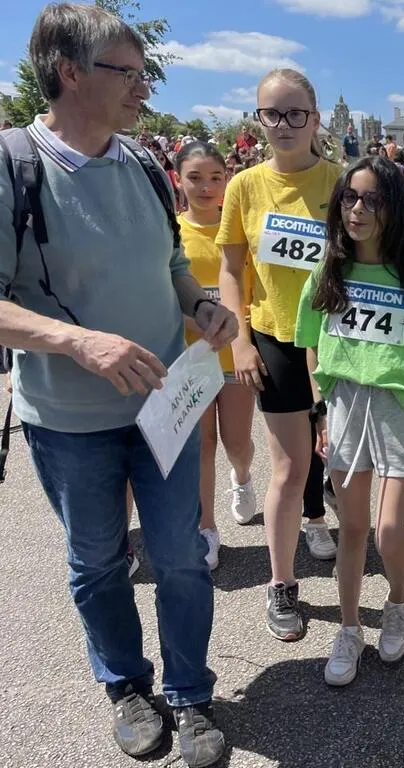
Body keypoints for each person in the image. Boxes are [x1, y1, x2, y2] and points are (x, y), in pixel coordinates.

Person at [0, 5, 238, 765]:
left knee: (180, 556)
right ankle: (127, 686)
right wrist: (76, 340)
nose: (144, 88)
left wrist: (199, 303)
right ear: (70, 72)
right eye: (127, 73)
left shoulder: (141, 163)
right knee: (99, 561)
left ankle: (190, 692)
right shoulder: (14, 164)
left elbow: (169, 262)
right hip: (68, 420)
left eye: (144, 73)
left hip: (164, 406)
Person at [296, 156, 404, 684]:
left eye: (373, 199)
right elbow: (311, 345)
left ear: (395, 208)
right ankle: (349, 627)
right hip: (343, 409)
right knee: (353, 527)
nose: (358, 209)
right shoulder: (327, 270)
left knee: (389, 531)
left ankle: (399, 602)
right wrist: (319, 413)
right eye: (350, 197)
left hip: (401, 410)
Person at [218, 67, 341, 642]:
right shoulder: (244, 186)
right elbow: (230, 269)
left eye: (296, 113)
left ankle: (339, 545)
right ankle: (282, 582)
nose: (284, 124)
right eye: (272, 113)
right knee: (290, 467)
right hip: (276, 339)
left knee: (340, 461)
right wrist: (239, 340)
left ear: (315, 118)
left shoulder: (343, 183)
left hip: (339, 342)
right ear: (259, 119)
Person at [176, 141, 257, 570]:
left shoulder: (240, 230)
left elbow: (254, 289)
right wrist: (196, 321)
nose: (206, 187)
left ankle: (242, 477)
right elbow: (165, 293)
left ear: (227, 180)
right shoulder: (170, 233)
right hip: (192, 357)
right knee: (202, 444)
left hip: (235, 355)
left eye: (214, 177)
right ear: (178, 179)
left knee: (237, 443)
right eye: (195, 177)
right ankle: (206, 526)